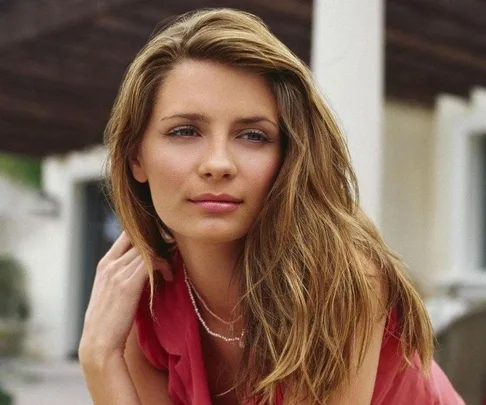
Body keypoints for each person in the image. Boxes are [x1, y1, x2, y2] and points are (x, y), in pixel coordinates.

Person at [78, 8, 465, 405]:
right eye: (185, 131)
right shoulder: (141, 300)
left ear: (289, 155)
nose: (218, 164)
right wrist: (98, 357)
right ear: (135, 158)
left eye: (252, 135)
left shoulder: (342, 277)